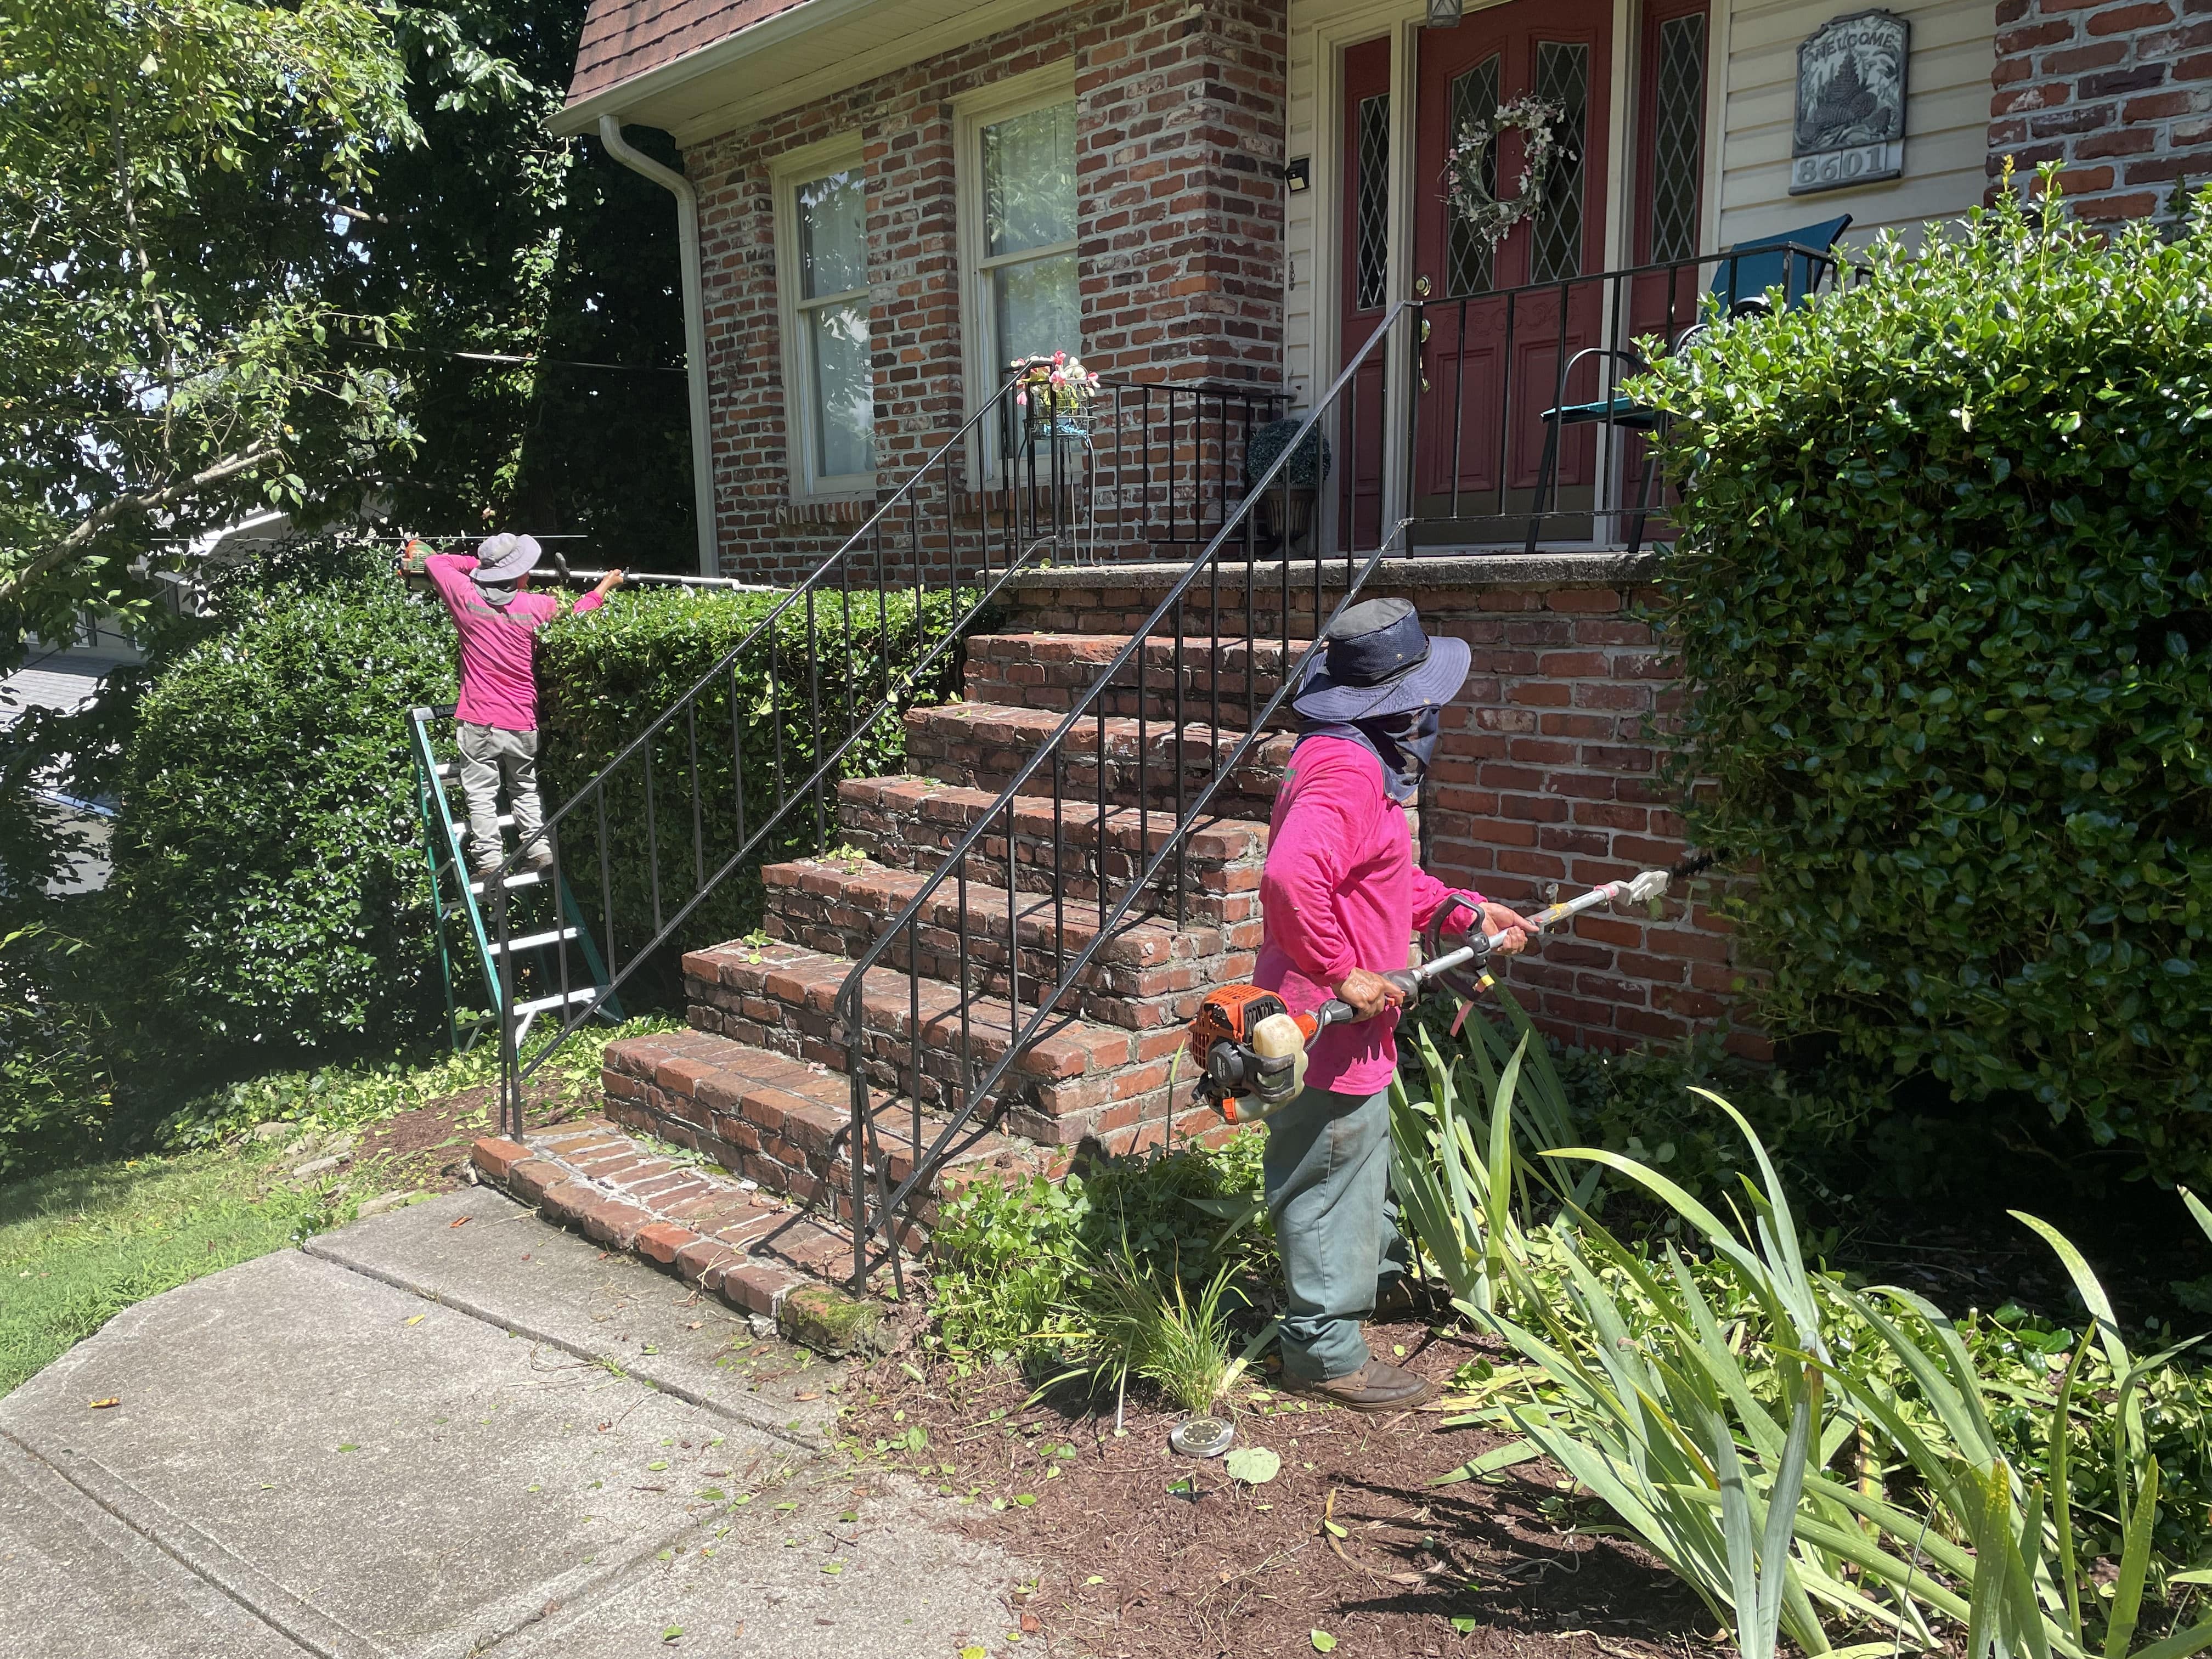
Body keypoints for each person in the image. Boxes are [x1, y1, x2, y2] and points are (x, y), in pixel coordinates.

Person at [1255, 597, 1534, 1411]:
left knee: (1359, 1158)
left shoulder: (1351, 759)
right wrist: (1344, 973)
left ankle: (1369, 1281)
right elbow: (1289, 878)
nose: (1430, 717)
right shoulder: (1346, 771)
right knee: (1329, 1172)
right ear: (1394, 705)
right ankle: (1323, 1349)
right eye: (1424, 703)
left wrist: (1461, 911)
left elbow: (1378, 879)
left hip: (1351, 1022)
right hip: (1325, 1025)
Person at [419, 533, 623, 879]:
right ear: (517, 574)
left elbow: (435, 562)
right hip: (521, 718)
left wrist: (477, 567)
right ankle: (539, 849)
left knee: (481, 793)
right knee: (524, 787)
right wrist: (604, 586)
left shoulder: (465, 597)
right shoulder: (536, 606)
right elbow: (577, 614)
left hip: (479, 719)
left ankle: (488, 862)